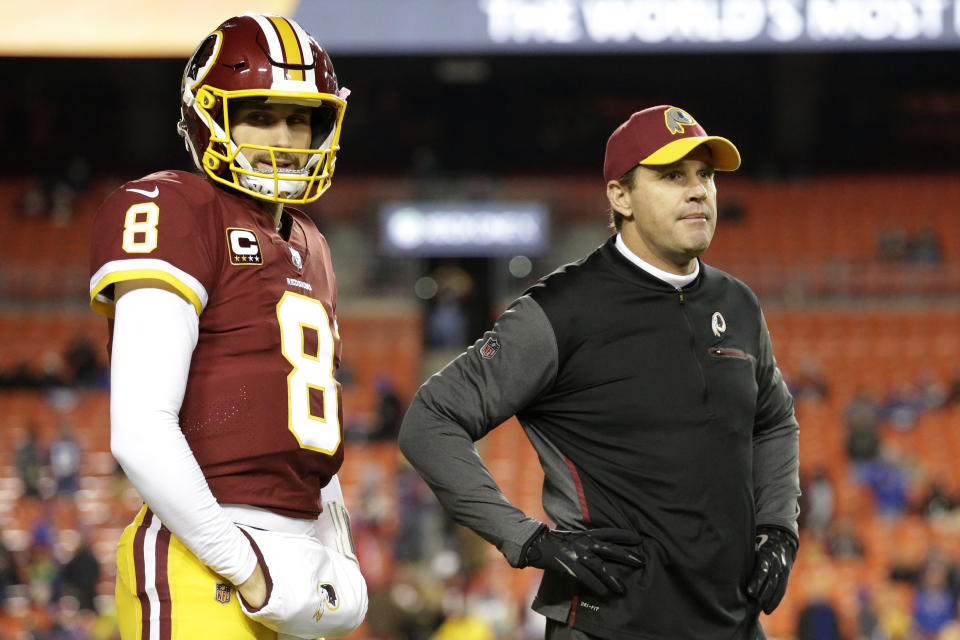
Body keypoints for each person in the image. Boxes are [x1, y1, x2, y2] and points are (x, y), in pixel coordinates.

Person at [399, 105, 801, 639]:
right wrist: (527, 540)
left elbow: (774, 422)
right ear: (620, 196)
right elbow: (430, 420)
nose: (699, 190)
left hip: (733, 622)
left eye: (705, 175)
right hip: (608, 625)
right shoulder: (561, 311)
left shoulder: (739, 304)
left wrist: (778, 527)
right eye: (672, 175)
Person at [88, 13, 366, 639]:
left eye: (300, 119)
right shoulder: (174, 207)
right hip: (207, 550)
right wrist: (247, 569)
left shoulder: (310, 242)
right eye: (261, 115)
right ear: (209, 117)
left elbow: (307, 427)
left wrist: (337, 546)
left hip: (297, 556)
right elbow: (140, 428)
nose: (286, 136)